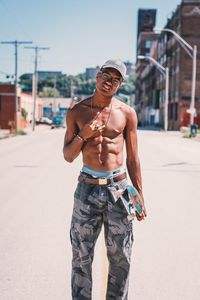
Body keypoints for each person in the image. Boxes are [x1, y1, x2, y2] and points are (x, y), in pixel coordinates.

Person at [63, 58, 147, 300]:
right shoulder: (76, 111)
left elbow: (133, 159)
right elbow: (68, 155)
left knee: (121, 256)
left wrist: (139, 196)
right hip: (87, 190)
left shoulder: (127, 113)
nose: (109, 82)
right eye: (106, 76)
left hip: (118, 191)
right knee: (81, 256)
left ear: (120, 84)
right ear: (97, 76)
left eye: (115, 79)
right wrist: (84, 135)